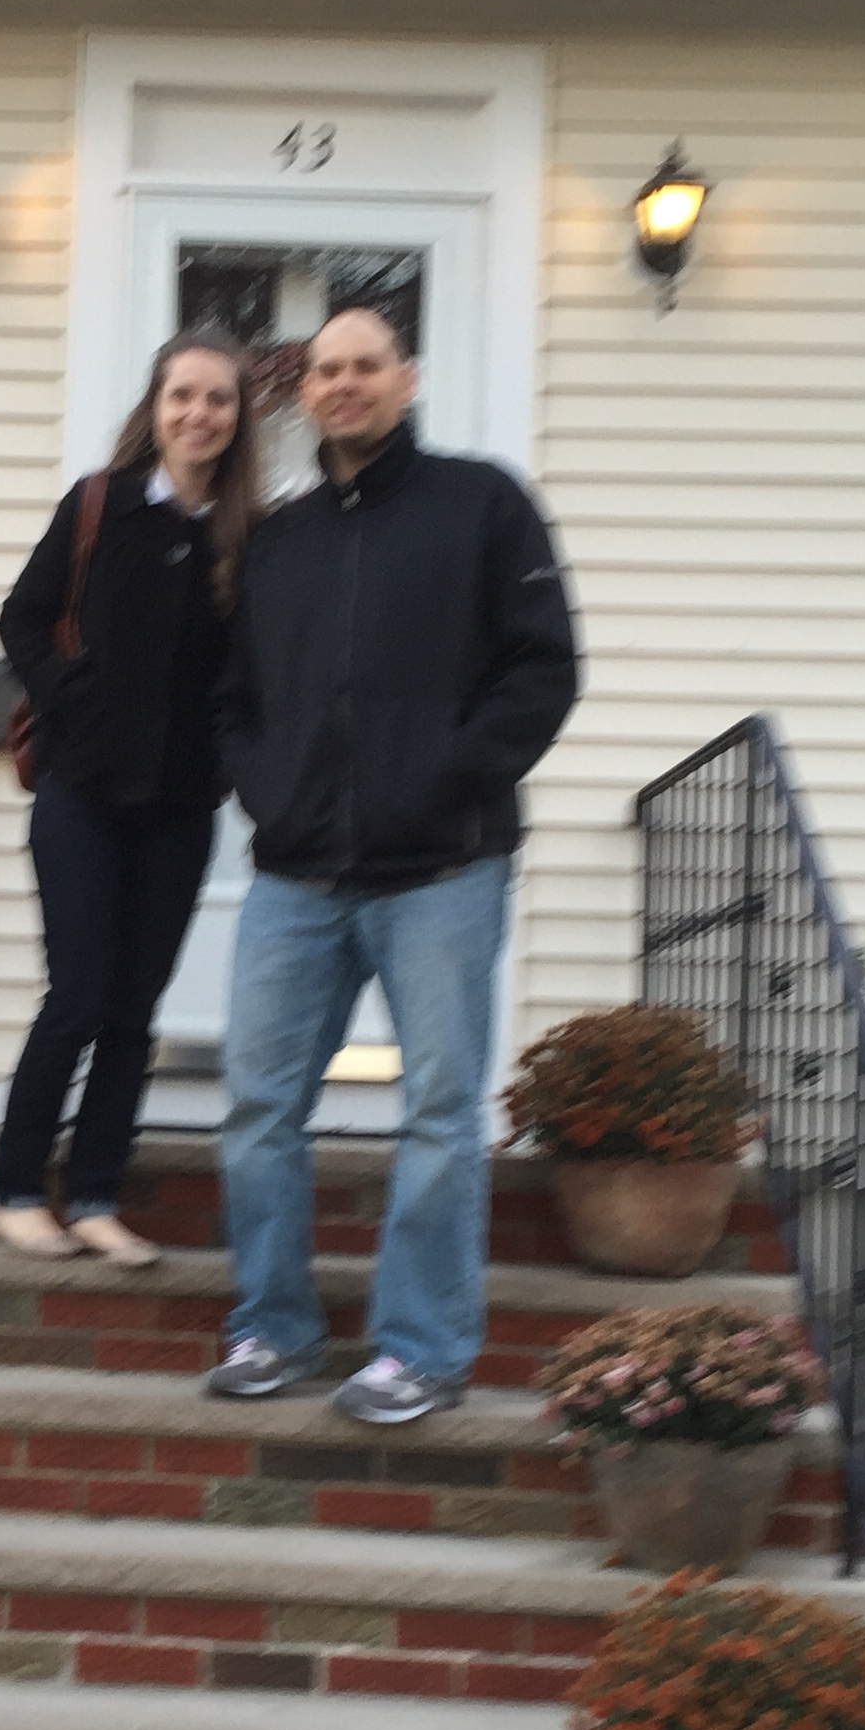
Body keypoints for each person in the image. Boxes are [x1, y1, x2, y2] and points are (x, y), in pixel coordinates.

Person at [206, 305, 579, 1420]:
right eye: (326, 370)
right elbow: (233, 699)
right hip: (297, 878)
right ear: (304, 390)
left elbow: (543, 671)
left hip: (444, 872)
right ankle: (272, 1330)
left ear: (406, 380)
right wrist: (270, 790)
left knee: (439, 1116)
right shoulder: (280, 539)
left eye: (366, 365)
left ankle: (419, 1351)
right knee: (258, 1109)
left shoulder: (484, 505)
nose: (345, 384)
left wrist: (445, 778)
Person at [0, 332, 262, 1265]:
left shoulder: (246, 535)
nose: (199, 414)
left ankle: (97, 1197)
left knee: (135, 1012)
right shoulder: (99, 505)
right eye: (183, 395)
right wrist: (69, 700)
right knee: (78, 996)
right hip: (81, 794)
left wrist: (226, 758)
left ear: (239, 417)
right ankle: (15, 1191)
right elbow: (21, 620)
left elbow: (250, 670)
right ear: (156, 406)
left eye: (218, 398)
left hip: (180, 809)